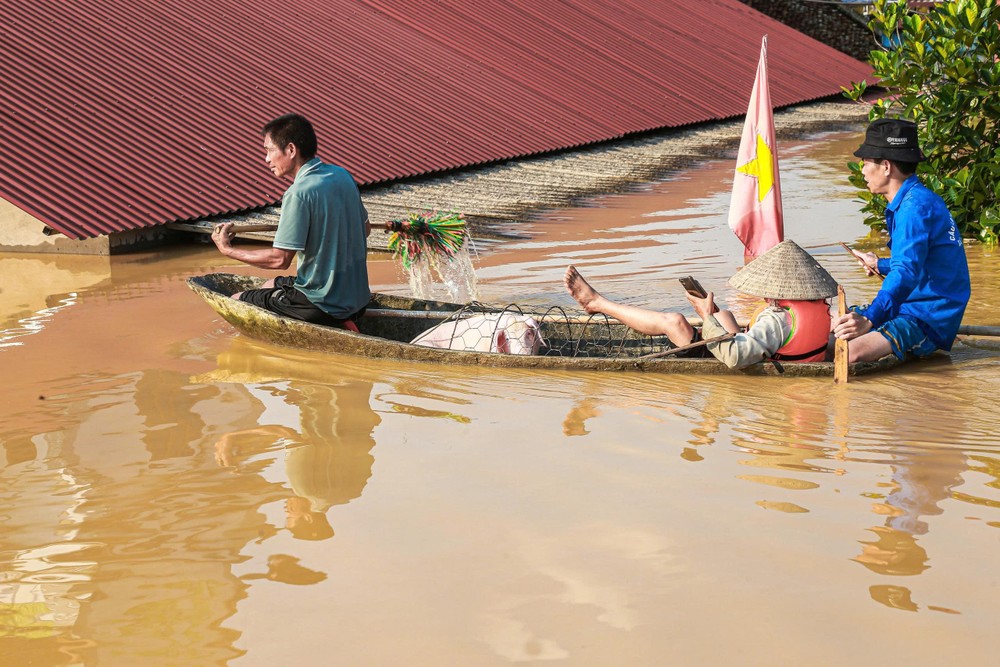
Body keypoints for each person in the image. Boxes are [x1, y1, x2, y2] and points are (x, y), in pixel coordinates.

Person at [564, 239, 838, 370]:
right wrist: (715, 316)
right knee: (727, 314)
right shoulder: (820, 308)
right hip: (774, 353)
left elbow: (734, 358)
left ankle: (597, 302)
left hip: (737, 362)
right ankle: (597, 301)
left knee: (674, 322)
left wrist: (707, 318)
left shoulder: (779, 318)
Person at [211, 113, 371, 329]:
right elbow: (366, 229)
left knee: (236, 299)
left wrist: (227, 250)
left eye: (269, 150)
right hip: (359, 299)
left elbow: (279, 260)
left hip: (322, 304)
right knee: (270, 284)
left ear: (291, 150)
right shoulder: (342, 175)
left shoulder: (298, 193)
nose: (266, 159)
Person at [834, 118, 971, 362]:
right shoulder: (915, 200)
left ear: (886, 166)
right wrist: (880, 264)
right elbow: (920, 261)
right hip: (915, 302)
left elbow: (907, 272)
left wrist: (870, 318)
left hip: (929, 314)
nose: (863, 171)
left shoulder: (914, 208)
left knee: (847, 354)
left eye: (865, 163)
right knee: (830, 325)